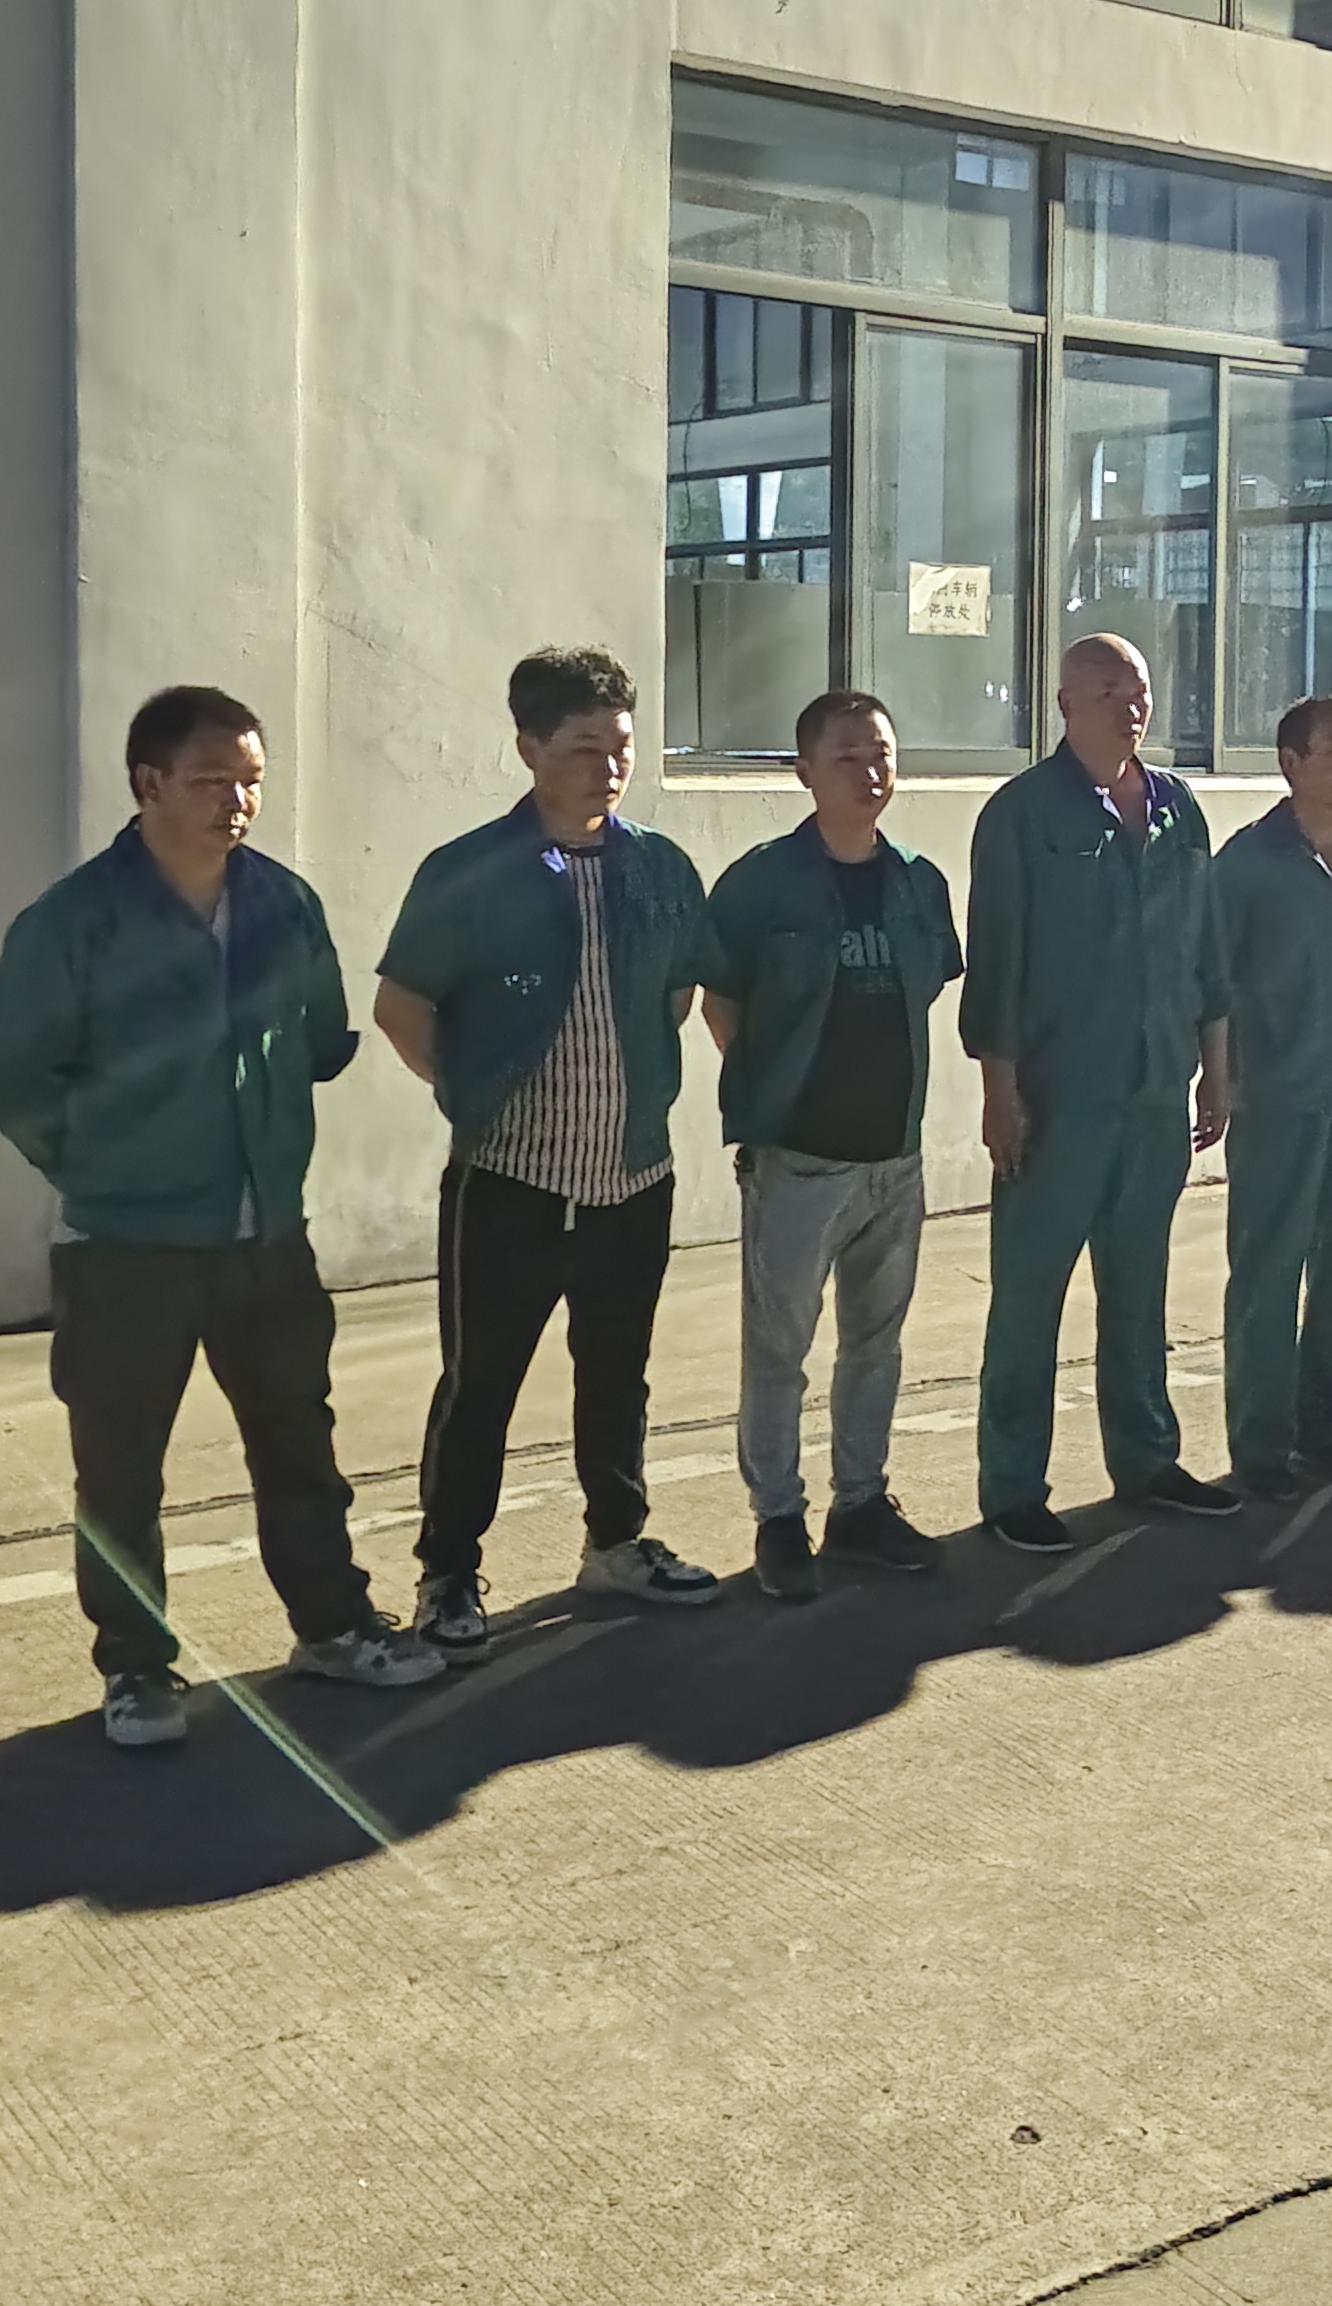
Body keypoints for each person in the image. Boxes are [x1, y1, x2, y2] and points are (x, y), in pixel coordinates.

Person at [0, 687, 439, 1746]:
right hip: (125, 1248)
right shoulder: (73, 922)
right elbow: (12, 1079)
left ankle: (332, 1627)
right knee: (121, 1471)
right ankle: (137, 1670)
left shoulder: (284, 904)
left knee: (298, 1446)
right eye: (211, 781)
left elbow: (320, 1039)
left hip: (266, 1237)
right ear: (148, 785)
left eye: (252, 781)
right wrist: (106, 1168)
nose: (238, 802)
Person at [375, 647, 723, 1653]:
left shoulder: (661, 868)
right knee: (479, 1385)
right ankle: (448, 1573)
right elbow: (401, 1006)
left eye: (622, 747)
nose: (608, 769)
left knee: (617, 1376)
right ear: (528, 748)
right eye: (582, 749)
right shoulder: (470, 871)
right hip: (510, 1183)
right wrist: (472, 1093)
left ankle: (616, 1542)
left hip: (632, 1179)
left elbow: (679, 993)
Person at [962, 633, 1236, 1550]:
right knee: (1029, 1296)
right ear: (1066, 704)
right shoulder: (1022, 813)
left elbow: (1204, 949)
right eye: (1110, 690)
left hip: (1155, 1090)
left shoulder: (1176, 809)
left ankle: (1147, 1461)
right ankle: (1013, 1489)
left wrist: (1216, 1065)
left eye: (1140, 690)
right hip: (1058, 1097)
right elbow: (997, 960)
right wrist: (1000, 1093)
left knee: (1139, 1287)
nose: (1130, 706)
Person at [699, 688, 960, 1604]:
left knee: (875, 1344)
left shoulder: (920, 881)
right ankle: (778, 1517)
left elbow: (928, 988)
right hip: (799, 1159)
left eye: (881, 752)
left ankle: (861, 1503)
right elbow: (722, 1003)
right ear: (806, 769)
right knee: (779, 1349)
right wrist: (780, 1092)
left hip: (894, 1156)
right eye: (847, 755)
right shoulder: (761, 884)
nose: (869, 769)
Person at [1209, 693, 1332, 1498]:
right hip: (1278, 1098)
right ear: (1290, 763)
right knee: (1267, 1273)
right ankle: (1260, 1448)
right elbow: (1213, 979)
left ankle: (1323, 1426)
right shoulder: (1247, 865)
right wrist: (1217, 1078)